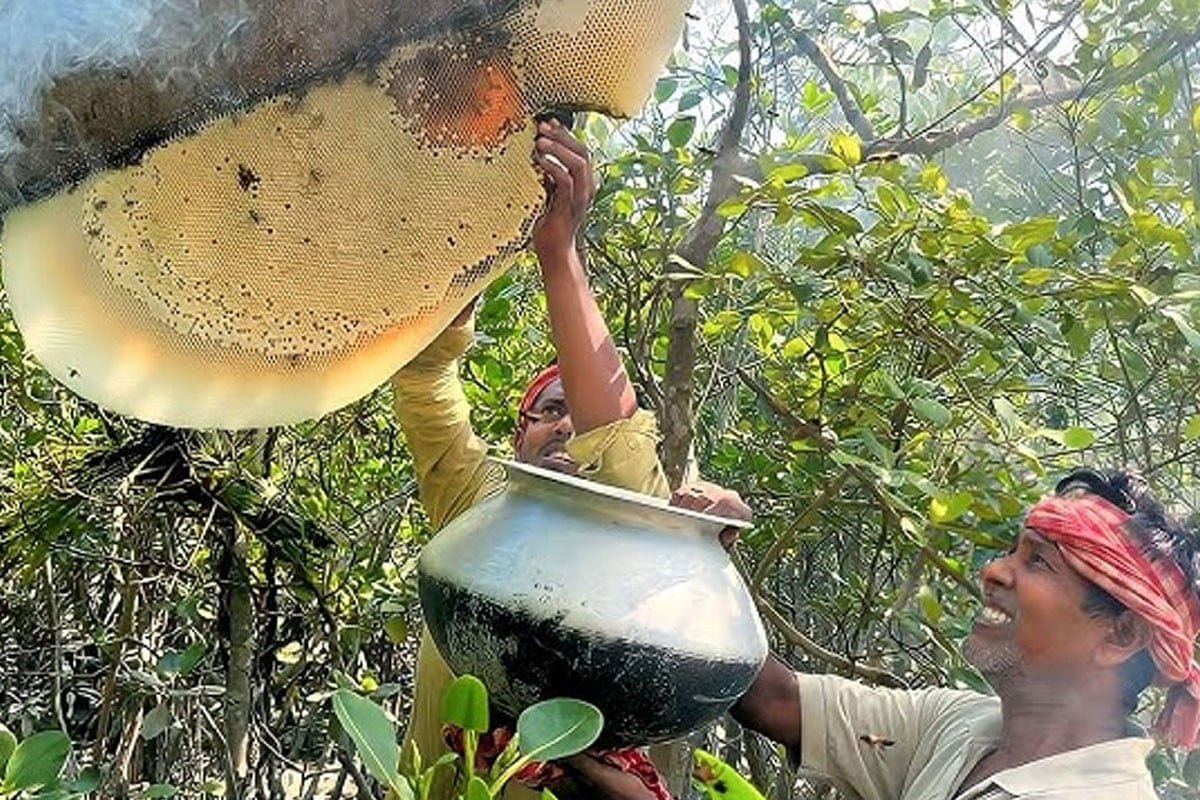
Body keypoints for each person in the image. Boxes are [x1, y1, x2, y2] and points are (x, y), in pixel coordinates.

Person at [391, 119, 744, 799]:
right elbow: (425, 375)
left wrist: (559, 253)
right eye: (549, 411)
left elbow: (614, 439)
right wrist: (470, 234)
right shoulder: (479, 497)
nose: (566, 428)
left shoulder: (629, 527)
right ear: (518, 432)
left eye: (575, 414)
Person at [729, 466, 1199, 800]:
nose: (993, 571)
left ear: (1121, 635)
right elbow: (776, 700)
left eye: (1038, 561)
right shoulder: (957, 728)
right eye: (1011, 551)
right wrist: (693, 547)